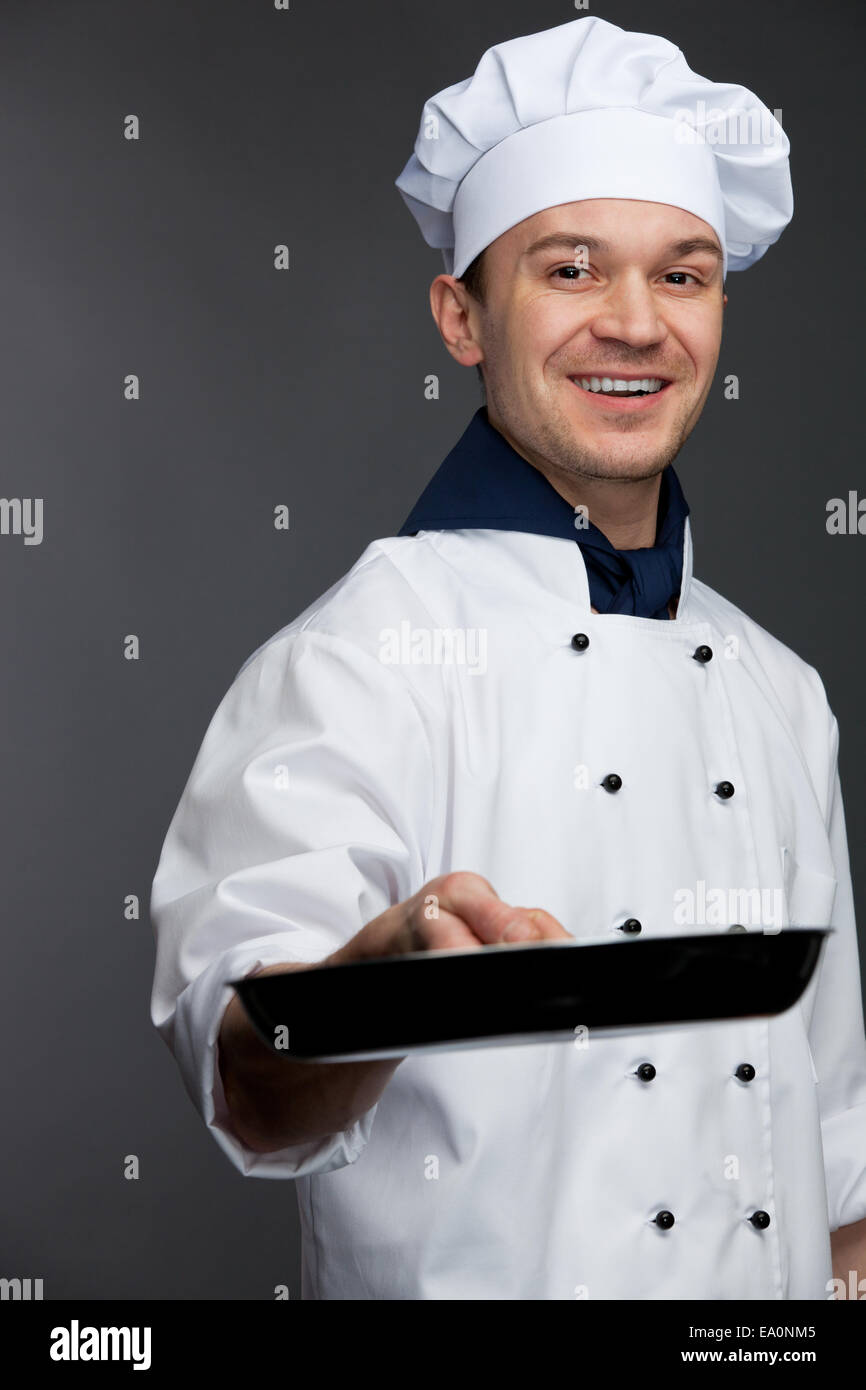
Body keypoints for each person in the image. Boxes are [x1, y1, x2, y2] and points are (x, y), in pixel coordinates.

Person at [149, 15, 866, 1299]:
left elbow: (837, 1173)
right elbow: (252, 1091)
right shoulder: (358, 656)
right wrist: (395, 977)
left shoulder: (781, 691)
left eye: (683, 273)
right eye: (572, 268)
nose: (636, 325)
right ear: (460, 318)